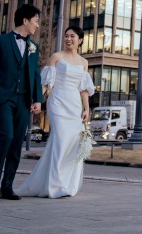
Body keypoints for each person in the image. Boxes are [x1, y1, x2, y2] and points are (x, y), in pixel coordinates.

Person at [17, 26, 94, 198]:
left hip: (74, 104)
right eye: (66, 36)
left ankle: (66, 184)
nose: (68, 39)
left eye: (72, 36)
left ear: (80, 40)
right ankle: (54, 185)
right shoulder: (56, 57)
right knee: (60, 139)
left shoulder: (84, 62)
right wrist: (38, 99)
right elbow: (46, 83)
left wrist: (87, 108)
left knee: (72, 143)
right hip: (58, 102)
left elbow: (84, 89)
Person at [0, 3, 43, 200]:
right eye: (35, 21)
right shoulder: (0, 41)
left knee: (17, 143)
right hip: (3, 98)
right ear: (25, 21)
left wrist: (38, 100)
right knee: (6, 137)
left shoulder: (34, 47)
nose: (37, 26)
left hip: (24, 101)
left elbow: (35, 74)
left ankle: (7, 186)